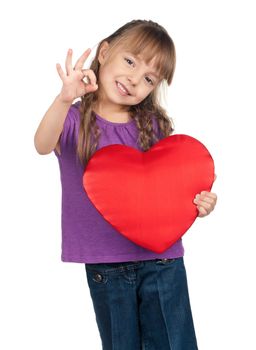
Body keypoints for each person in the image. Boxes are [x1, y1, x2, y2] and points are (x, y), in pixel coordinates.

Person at [34, 19, 217, 350]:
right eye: (130, 61)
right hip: (106, 266)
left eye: (149, 78)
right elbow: (43, 144)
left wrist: (199, 203)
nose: (134, 79)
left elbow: (170, 188)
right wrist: (64, 99)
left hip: (163, 262)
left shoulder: (153, 125)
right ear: (105, 52)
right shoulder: (74, 119)